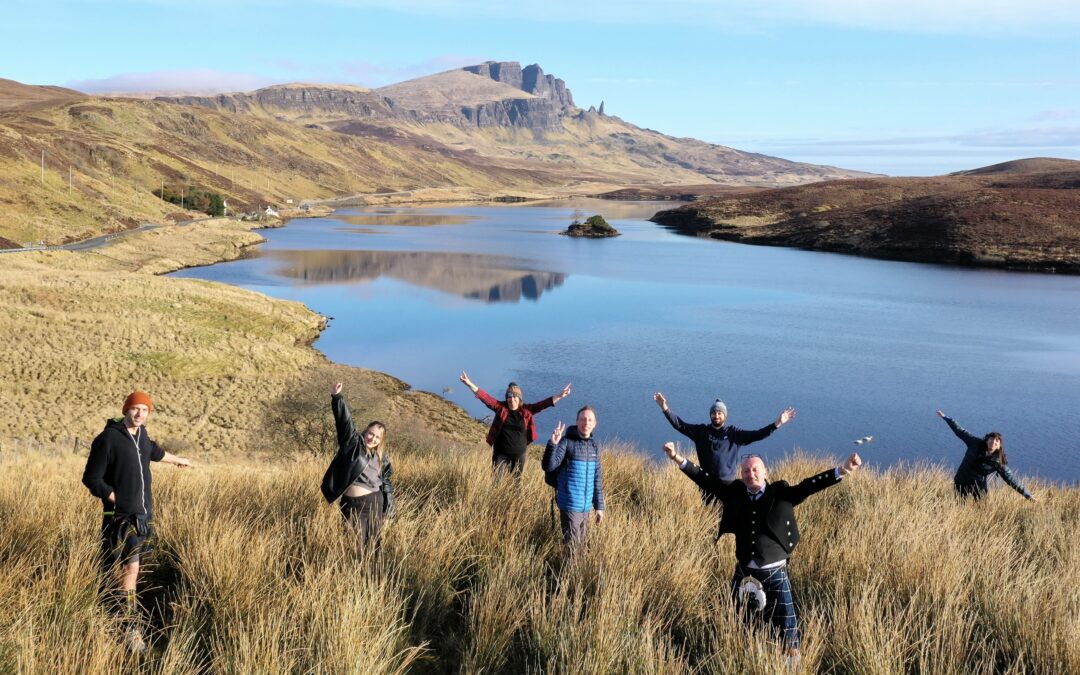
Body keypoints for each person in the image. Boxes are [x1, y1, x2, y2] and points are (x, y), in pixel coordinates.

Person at [662, 441, 862, 660]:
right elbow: (705, 479)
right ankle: (744, 657)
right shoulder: (735, 493)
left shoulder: (781, 493)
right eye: (746, 471)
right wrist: (676, 457)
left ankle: (792, 664)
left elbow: (809, 486)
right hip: (744, 571)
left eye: (755, 469)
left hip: (775, 573)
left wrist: (842, 470)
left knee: (787, 626)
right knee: (739, 620)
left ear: (765, 472)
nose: (750, 474)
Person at [82, 390, 192, 652]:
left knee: (126, 570)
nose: (140, 413)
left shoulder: (142, 437)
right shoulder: (108, 439)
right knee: (128, 570)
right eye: (135, 408)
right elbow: (92, 478)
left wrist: (179, 460)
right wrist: (116, 499)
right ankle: (129, 628)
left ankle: (116, 617)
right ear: (125, 410)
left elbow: (156, 453)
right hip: (120, 516)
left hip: (143, 516)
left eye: (145, 409)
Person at [654, 391, 796, 486]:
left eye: (720, 413)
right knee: (708, 515)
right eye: (714, 413)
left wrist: (778, 423)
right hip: (706, 481)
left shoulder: (735, 434)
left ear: (725, 416)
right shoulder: (701, 432)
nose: (716, 416)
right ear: (710, 415)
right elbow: (679, 425)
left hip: (728, 483)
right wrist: (664, 407)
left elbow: (758, 434)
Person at [459, 371, 571, 477]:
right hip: (500, 454)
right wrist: (468, 383)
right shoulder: (500, 408)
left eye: (514, 396)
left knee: (515, 484)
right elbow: (485, 397)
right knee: (497, 484)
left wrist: (560, 396)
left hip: (519, 455)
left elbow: (544, 404)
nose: (511, 399)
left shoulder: (526, 411)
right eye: (509, 396)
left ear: (519, 398)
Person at [321, 383, 395, 542]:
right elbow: (344, 422)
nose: (372, 439)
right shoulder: (353, 445)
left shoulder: (382, 458)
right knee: (353, 547)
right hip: (352, 505)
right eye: (371, 434)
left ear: (381, 441)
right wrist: (337, 397)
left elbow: (387, 485)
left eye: (377, 438)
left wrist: (389, 513)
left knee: (373, 549)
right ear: (365, 431)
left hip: (375, 504)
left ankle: (374, 568)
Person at [542, 406, 605, 549]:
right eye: (582, 419)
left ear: (595, 424)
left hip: (586, 508)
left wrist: (599, 507)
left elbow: (597, 479)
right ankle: (568, 571)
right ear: (577, 422)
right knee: (572, 550)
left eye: (590, 420)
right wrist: (553, 444)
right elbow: (549, 466)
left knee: (581, 547)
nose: (586, 423)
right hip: (570, 505)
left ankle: (574, 571)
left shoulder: (593, 447)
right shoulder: (566, 442)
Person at [936, 410, 1035, 501]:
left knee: (982, 509)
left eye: (997, 441)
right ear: (987, 440)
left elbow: (1011, 479)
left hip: (979, 486)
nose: (993, 442)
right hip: (961, 482)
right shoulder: (975, 443)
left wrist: (1026, 494)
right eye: (991, 439)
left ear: (999, 446)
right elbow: (960, 431)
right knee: (959, 507)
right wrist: (946, 418)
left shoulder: (998, 461)